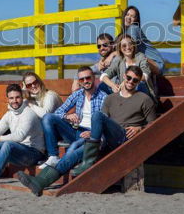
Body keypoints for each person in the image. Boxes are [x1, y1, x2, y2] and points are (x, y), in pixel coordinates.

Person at [18, 65, 157, 196]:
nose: (131, 82)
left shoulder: (144, 99)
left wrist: (140, 128)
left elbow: (153, 124)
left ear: (139, 82)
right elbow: (101, 121)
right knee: (75, 152)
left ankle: (87, 160)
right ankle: (40, 182)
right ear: (124, 77)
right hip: (101, 138)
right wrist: (91, 130)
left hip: (123, 137)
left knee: (91, 125)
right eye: (128, 78)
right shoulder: (111, 98)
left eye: (135, 80)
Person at [38, 66, 108, 170]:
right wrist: (67, 116)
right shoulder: (78, 94)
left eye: (88, 78)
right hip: (75, 130)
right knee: (48, 117)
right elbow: (58, 111)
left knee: (73, 147)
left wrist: (94, 132)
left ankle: (56, 170)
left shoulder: (103, 97)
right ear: (79, 82)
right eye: (81, 79)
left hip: (91, 134)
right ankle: (53, 156)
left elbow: (106, 121)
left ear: (94, 78)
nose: (85, 81)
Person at [99, 34, 157, 103]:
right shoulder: (119, 60)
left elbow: (145, 75)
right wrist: (113, 86)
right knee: (102, 86)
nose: (128, 47)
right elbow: (104, 76)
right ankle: (108, 108)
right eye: (124, 45)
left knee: (138, 84)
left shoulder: (140, 56)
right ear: (120, 48)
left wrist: (126, 82)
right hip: (125, 95)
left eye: (130, 44)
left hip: (143, 94)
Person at [122, 5, 165, 74]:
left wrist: (112, 55)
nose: (129, 18)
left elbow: (130, 48)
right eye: (127, 14)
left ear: (136, 20)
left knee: (128, 56)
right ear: (124, 16)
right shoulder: (125, 33)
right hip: (142, 61)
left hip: (155, 64)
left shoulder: (133, 28)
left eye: (132, 16)